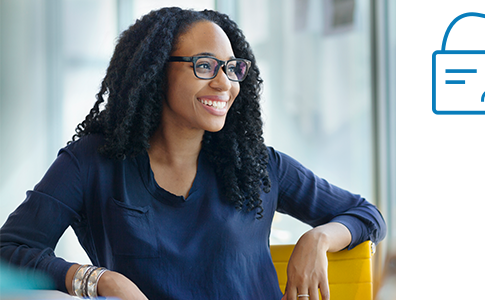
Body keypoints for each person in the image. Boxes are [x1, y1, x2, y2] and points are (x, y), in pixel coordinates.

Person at [0, 7, 386, 300]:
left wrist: (316, 239)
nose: (224, 83)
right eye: (204, 66)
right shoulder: (91, 163)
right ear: (154, 73)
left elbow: (367, 215)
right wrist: (97, 279)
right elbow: (9, 250)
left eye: (232, 69)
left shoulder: (256, 164)